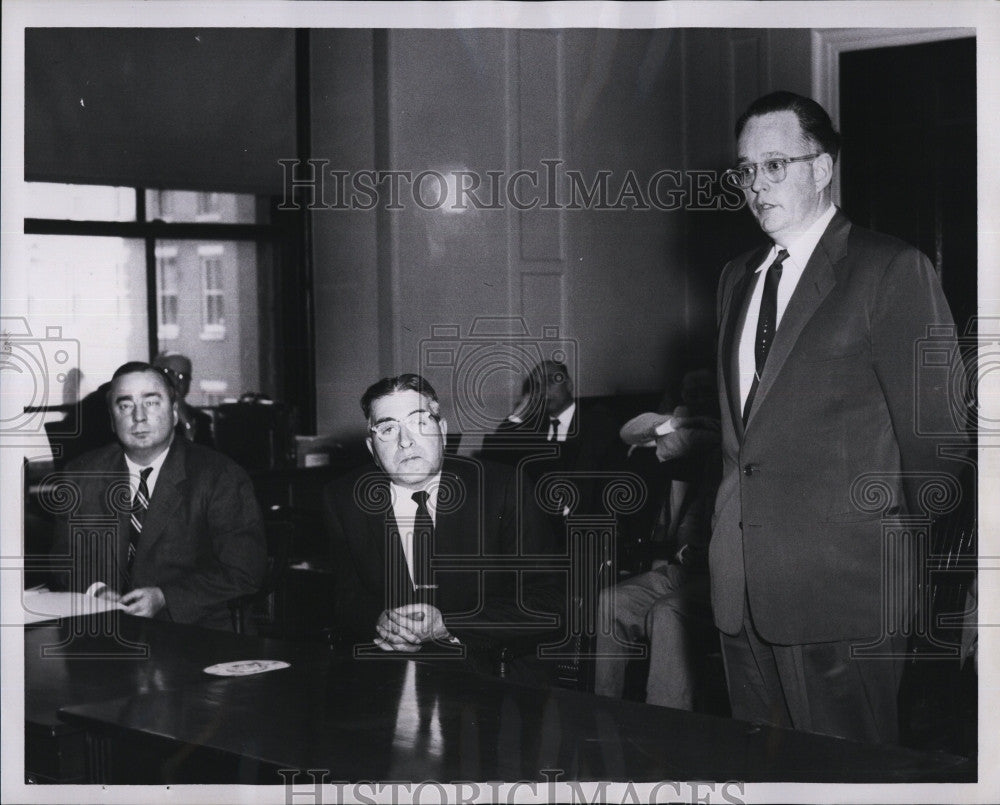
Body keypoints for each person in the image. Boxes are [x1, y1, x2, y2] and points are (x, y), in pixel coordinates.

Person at [711, 91, 965, 743]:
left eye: (776, 165)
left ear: (822, 169)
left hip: (844, 598)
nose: (756, 184)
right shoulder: (735, 279)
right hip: (740, 593)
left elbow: (935, 456)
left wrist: (890, 582)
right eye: (746, 169)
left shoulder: (891, 271)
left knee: (848, 780)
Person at [323, 374, 564, 682]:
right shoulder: (343, 498)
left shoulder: (503, 488)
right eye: (387, 428)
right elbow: (346, 596)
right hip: (386, 669)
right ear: (372, 448)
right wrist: (380, 620)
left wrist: (449, 624)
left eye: (420, 422)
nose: (405, 440)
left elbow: (547, 600)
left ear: (443, 431)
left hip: (484, 670)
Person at [50, 361, 266, 630]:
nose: (138, 417)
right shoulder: (80, 476)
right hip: (106, 633)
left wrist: (165, 598)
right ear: (112, 420)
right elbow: (64, 560)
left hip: (198, 634)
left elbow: (244, 571)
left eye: (151, 403)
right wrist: (98, 591)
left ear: (175, 413)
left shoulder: (221, 477)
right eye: (125, 405)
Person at [594, 368, 721, 710]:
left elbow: (674, 444)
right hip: (684, 563)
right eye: (689, 394)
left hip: (723, 573)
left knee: (667, 614)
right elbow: (630, 432)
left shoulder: (727, 435)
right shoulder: (693, 426)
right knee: (610, 602)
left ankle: (665, 733)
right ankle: (603, 715)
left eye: (706, 391)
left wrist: (679, 428)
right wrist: (677, 421)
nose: (697, 400)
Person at [481, 360, 624, 529]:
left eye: (550, 381)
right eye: (537, 386)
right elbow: (494, 460)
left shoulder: (597, 424)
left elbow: (610, 490)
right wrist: (518, 414)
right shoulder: (532, 429)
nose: (544, 390)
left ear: (569, 384)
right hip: (539, 530)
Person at [153, 351, 215, 446]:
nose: (176, 381)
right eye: (170, 373)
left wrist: (187, 425)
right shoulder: (140, 412)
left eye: (183, 377)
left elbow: (208, 458)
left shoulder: (201, 420)